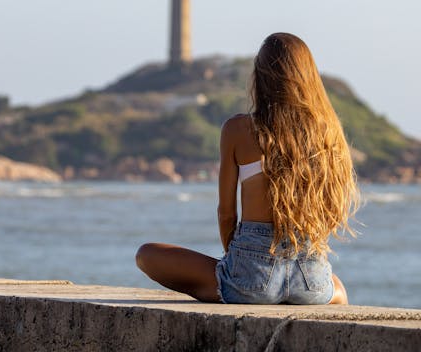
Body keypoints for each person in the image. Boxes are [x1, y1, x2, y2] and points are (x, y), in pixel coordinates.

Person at [135, 32, 359, 304]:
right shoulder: (329, 133)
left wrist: (238, 263)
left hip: (252, 276)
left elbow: (226, 214)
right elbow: (331, 213)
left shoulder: (238, 129)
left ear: (260, 77)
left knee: (147, 254)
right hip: (310, 279)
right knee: (337, 287)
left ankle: (239, 286)